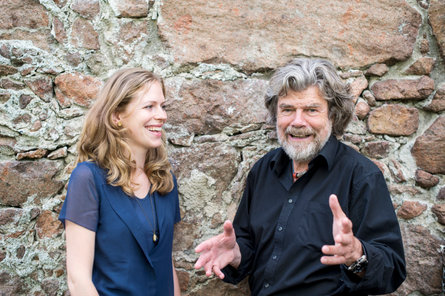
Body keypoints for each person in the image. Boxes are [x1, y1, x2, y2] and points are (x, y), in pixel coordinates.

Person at [194, 58, 406, 295]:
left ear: (332, 116)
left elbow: (393, 269)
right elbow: (249, 246)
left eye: (311, 110)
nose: (297, 122)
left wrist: (356, 255)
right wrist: (236, 254)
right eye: (287, 110)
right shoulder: (263, 170)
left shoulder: (361, 176)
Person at [59, 68, 181, 296]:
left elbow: (166, 263)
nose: (162, 115)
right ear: (117, 117)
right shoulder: (88, 178)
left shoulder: (165, 180)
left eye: (162, 106)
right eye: (149, 106)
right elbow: (78, 280)